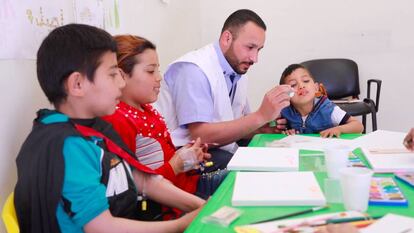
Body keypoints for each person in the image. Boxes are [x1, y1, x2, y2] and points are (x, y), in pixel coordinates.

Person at [13, 24, 204, 233]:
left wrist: (201, 206)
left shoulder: (97, 127)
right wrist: (179, 226)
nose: (121, 83)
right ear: (77, 84)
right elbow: (102, 227)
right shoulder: (67, 146)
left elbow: (145, 181)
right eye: (113, 74)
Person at [156, 9, 291, 164]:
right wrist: (260, 116)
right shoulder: (194, 69)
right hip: (180, 159)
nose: (255, 58)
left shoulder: (237, 71)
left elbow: (231, 126)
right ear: (227, 38)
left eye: (258, 50)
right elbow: (201, 136)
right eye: (250, 47)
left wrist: (260, 128)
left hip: (215, 150)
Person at [103, 35, 227, 200]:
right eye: (150, 71)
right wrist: (176, 165)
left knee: (242, 176)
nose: (159, 77)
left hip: (189, 186)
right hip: (172, 203)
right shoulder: (119, 119)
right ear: (122, 75)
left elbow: (165, 162)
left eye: (158, 70)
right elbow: (135, 187)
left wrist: (188, 157)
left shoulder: (147, 109)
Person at [278, 64, 364, 137]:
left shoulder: (328, 109)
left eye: (306, 81)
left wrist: (339, 129)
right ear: (286, 95)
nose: (301, 86)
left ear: (316, 88)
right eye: (293, 85)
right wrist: (286, 132)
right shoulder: (284, 111)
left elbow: (358, 126)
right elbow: (273, 132)